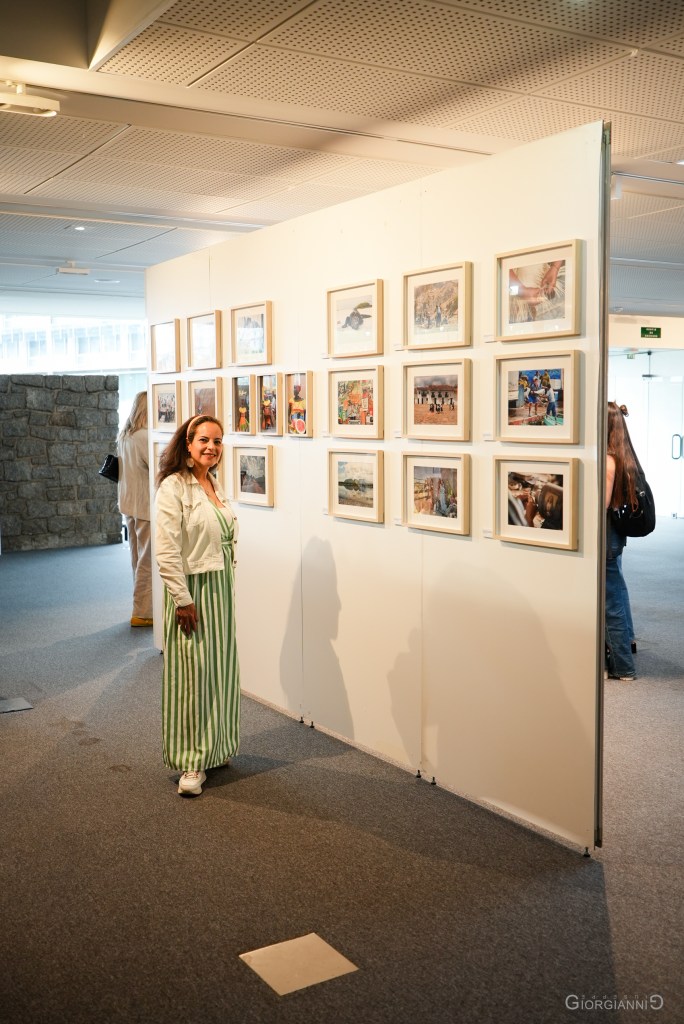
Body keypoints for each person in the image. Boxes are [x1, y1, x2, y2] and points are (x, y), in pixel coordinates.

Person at [155, 415, 240, 796]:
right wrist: (183, 599)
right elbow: (166, 550)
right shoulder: (173, 487)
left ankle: (215, 747)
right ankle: (190, 761)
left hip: (220, 587)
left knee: (219, 671)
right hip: (192, 591)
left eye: (218, 441)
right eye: (204, 440)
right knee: (191, 676)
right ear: (187, 444)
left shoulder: (214, 484)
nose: (211, 447)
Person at [605, 402, 638, 681]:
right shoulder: (623, 453)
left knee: (610, 604)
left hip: (606, 538)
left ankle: (622, 666)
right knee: (617, 591)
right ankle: (627, 642)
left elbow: (601, 506)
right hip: (614, 535)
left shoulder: (607, 460)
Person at [118, 391, 153, 627]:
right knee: (147, 561)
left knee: (137, 558)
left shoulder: (125, 436)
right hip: (144, 506)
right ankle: (143, 612)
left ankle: (141, 607)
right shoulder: (144, 437)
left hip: (128, 503)